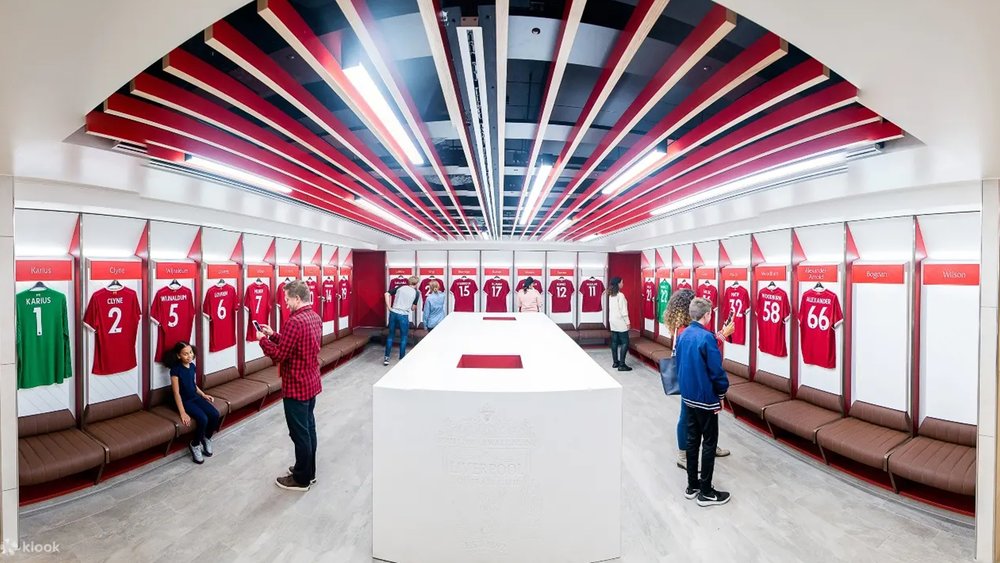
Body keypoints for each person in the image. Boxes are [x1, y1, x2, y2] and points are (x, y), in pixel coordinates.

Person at [257, 280, 323, 492]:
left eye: (287, 299)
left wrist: (262, 341)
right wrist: (273, 335)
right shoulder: (314, 317)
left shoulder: (294, 322)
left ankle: (301, 479)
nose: (285, 303)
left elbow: (280, 355)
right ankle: (308, 471)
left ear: (297, 298)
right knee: (309, 429)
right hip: (311, 382)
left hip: (296, 386)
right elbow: (295, 344)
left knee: (299, 434)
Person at [664, 289, 733, 469]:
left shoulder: (687, 325)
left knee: (700, 415)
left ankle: (710, 445)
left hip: (693, 375)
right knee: (686, 416)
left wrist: (719, 335)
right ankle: (683, 455)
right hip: (691, 376)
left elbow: (703, 344)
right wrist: (722, 335)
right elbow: (700, 348)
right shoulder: (683, 328)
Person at [676, 297, 731, 506]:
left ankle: (692, 485)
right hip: (706, 399)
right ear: (707, 315)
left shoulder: (683, 334)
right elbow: (716, 372)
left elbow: (679, 363)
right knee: (709, 443)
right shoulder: (706, 337)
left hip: (688, 396)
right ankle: (706, 491)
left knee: (692, 440)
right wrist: (721, 394)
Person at [166, 341, 220, 465]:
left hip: (195, 397)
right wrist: (182, 412)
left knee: (215, 414)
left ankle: (207, 438)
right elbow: (176, 393)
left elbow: (193, 385)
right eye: (185, 354)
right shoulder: (175, 370)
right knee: (203, 419)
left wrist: (203, 394)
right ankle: (195, 444)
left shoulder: (192, 366)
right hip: (185, 401)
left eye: (190, 352)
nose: (189, 355)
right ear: (179, 356)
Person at [384, 275, 420, 365]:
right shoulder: (416, 293)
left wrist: (389, 307)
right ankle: (402, 359)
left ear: (409, 282)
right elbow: (412, 308)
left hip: (393, 313)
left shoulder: (400, 287)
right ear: (416, 283)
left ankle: (386, 358)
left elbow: (386, 294)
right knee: (403, 337)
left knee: (391, 336)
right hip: (403, 315)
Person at [607, 276, 632, 372]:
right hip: (620, 321)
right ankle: (622, 365)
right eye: (622, 282)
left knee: (614, 342)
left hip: (612, 321)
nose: (623, 284)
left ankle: (615, 362)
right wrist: (628, 322)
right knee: (625, 342)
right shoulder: (620, 295)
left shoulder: (611, 295)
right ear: (618, 284)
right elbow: (623, 311)